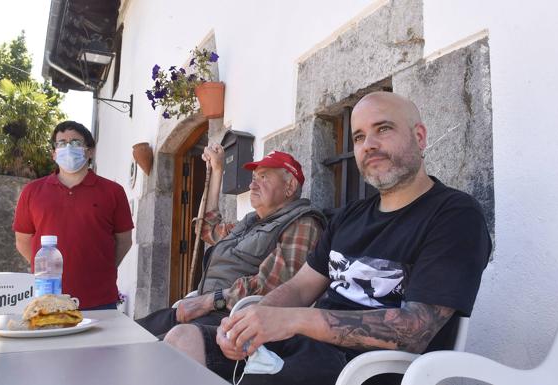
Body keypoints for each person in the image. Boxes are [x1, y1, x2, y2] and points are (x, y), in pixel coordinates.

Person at [164, 92, 492, 385]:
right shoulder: (349, 217)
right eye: (360, 137)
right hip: (307, 351)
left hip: (365, 370)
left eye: (384, 129)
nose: (370, 144)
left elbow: (415, 329)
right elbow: (300, 286)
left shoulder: (454, 215)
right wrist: (254, 320)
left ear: (419, 137)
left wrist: (294, 320)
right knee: (183, 340)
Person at [135, 145, 326, 338]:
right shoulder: (250, 221)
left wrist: (210, 301)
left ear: (290, 187)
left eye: (263, 177)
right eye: (253, 178)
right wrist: (217, 171)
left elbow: (273, 287)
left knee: (151, 351)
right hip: (203, 310)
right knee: (130, 334)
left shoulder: (302, 223)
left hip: (231, 320)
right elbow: (207, 229)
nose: (252, 185)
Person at [13, 121, 134, 310]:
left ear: (90, 151)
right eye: (61, 143)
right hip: (48, 299)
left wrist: (103, 268)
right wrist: (47, 269)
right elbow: (22, 241)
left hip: (100, 300)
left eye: (76, 142)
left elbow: (124, 240)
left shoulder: (113, 191)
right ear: (54, 153)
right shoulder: (32, 191)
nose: (68, 148)